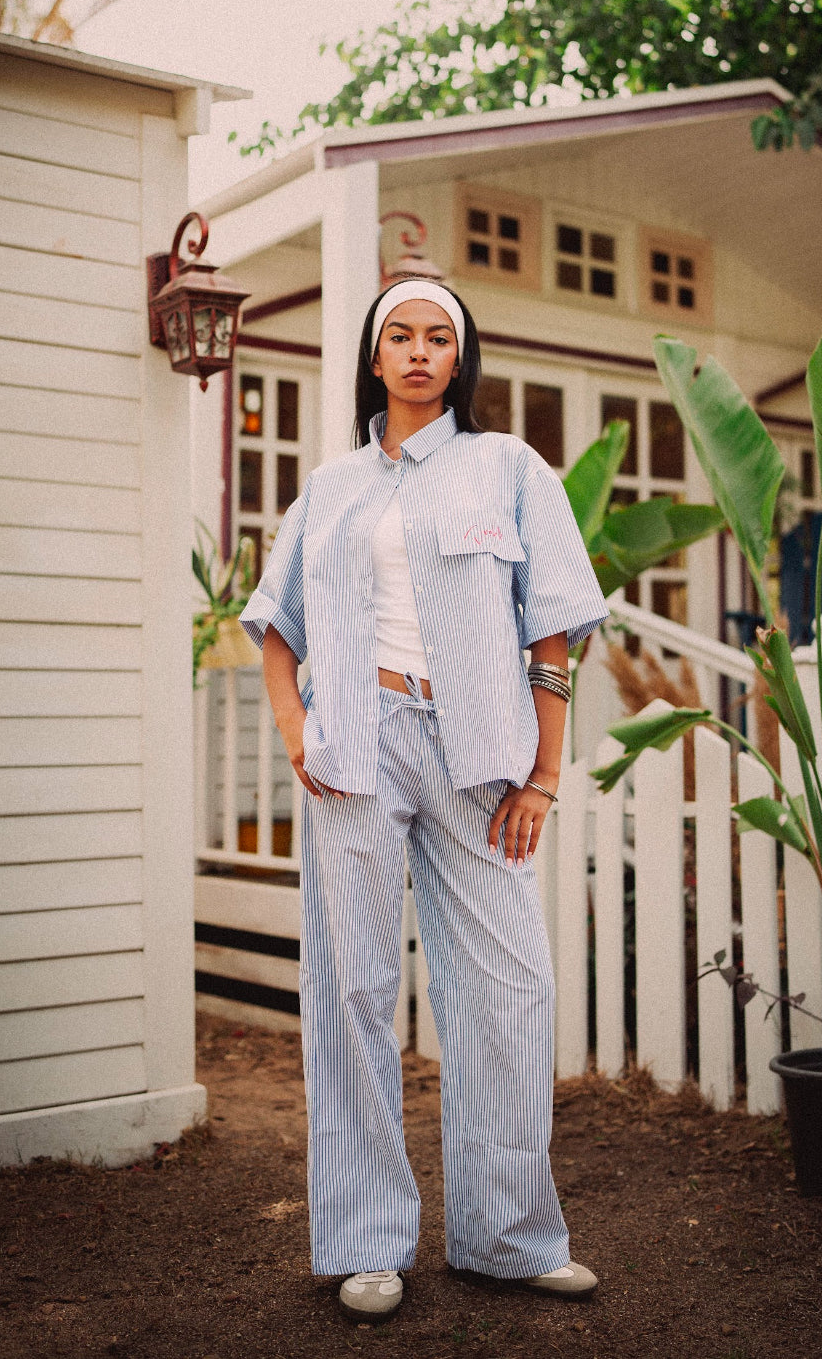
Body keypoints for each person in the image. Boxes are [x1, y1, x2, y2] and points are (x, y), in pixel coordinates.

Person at [239, 277, 608, 1322]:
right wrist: (292, 725)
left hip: (480, 751)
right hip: (356, 745)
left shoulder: (509, 469)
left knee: (510, 990)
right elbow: (278, 622)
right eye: (397, 334)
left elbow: (553, 631)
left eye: (436, 336)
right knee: (351, 989)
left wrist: (543, 773)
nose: (415, 351)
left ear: (459, 357)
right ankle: (366, 1241)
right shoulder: (333, 486)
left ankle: (508, 1237)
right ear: (373, 355)